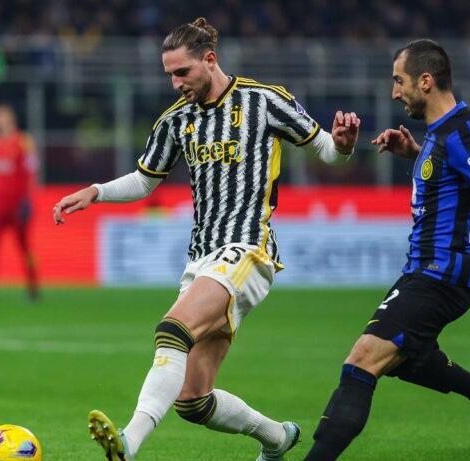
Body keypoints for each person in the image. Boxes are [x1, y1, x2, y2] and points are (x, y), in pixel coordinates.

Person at [53, 17, 360, 461]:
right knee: (193, 400)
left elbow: (327, 150)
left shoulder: (264, 100)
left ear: (210, 59)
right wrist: (95, 192)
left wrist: (344, 145)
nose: (176, 83)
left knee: (171, 330)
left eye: (182, 72)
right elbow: (144, 180)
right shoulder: (176, 120)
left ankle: (128, 442)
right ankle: (277, 438)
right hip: (202, 258)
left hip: (248, 249)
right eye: (170, 75)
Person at [302, 39, 470, 460]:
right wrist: (416, 153)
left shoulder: (461, 132)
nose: (394, 92)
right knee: (409, 357)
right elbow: (454, 178)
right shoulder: (444, 133)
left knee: (362, 360)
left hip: (442, 275)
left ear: (425, 81)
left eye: (399, 81)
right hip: (423, 270)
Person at [0, 104, 39, 302]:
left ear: (11, 118)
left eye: (2, 116)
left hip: (18, 204)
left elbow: (32, 171)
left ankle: (33, 286)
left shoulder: (24, 141)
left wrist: (27, 200)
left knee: (25, 247)